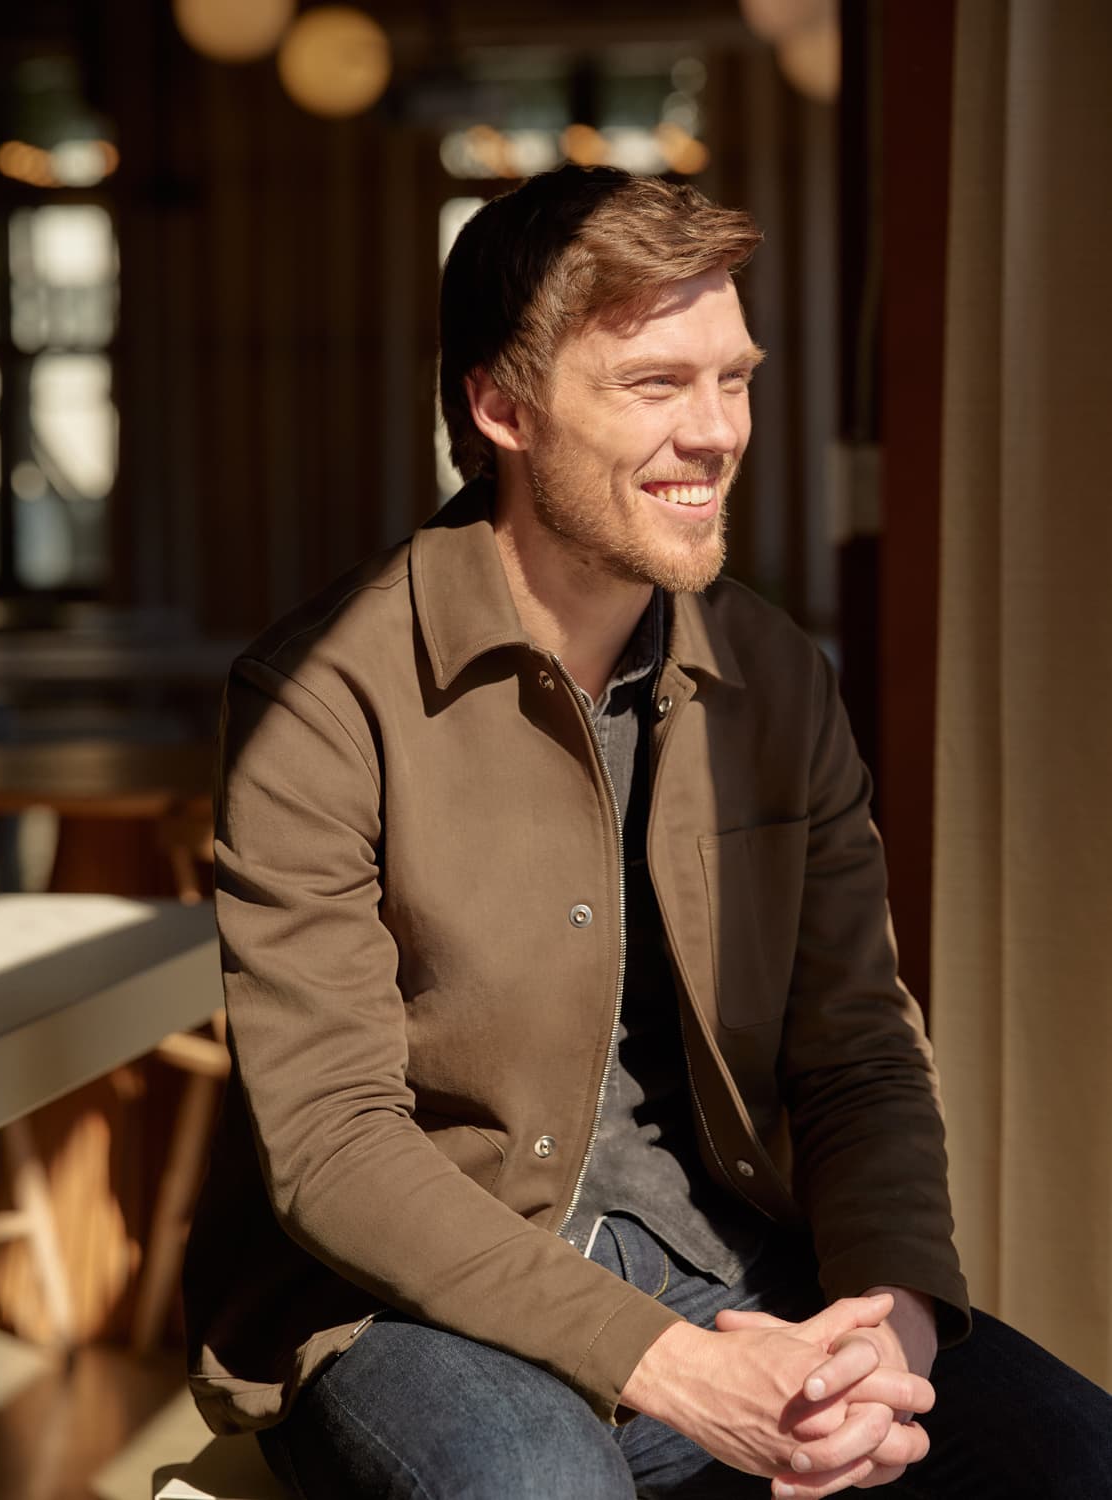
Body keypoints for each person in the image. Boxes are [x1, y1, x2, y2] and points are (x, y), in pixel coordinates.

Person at [183, 166, 1112, 1499]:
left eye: (731, 378)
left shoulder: (777, 678)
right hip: (419, 1304)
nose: (717, 429)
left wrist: (890, 1324)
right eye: (654, 385)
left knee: (1076, 1458)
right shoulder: (322, 693)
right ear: (499, 407)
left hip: (732, 1256)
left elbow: (856, 1053)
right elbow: (334, 1145)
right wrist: (668, 1365)